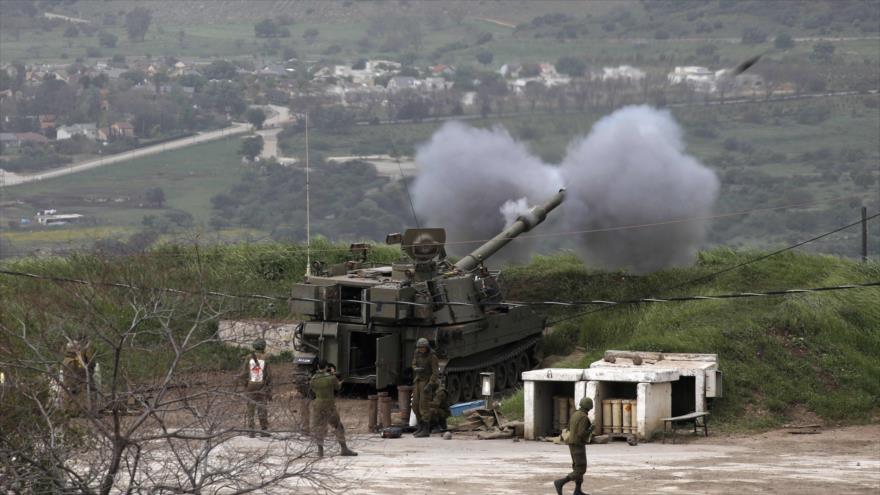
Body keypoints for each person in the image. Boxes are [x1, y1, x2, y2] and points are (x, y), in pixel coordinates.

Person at [309, 361, 357, 457]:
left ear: (318, 367)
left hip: (317, 404)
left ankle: (320, 451)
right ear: (327, 367)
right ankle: (344, 449)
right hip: (329, 405)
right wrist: (338, 378)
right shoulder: (331, 378)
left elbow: (313, 390)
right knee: (338, 426)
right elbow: (338, 387)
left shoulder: (313, 379)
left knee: (319, 427)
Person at [554, 397, 593, 495]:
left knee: (577, 467)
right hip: (578, 444)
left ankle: (577, 491)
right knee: (581, 468)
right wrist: (591, 429)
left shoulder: (575, 414)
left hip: (572, 443)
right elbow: (581, 433)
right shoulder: (584, 417)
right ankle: (561, 482)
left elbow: (568, 427)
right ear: (589, 406)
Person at [240, 338, 272, 437]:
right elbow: (269, 374)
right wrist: (269, 387)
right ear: (263, 346)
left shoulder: (249, 357)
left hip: (251, 385)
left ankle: (251, 431)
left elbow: (244, 372)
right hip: (261, 385)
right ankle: (264, 430)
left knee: (251, 408)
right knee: (262, 407)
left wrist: (245, 384)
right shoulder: (266, 357)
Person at [410, 337, 439, 438]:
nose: (421, 349)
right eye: (419, 348)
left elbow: (435, 373)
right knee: (415, 405)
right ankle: (420, 426)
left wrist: (430, 384)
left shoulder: (432, 356)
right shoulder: (416, 353)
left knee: (424, 406)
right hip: (418, 380)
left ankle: (426, 429)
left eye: (423, 348)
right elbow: (413, 363)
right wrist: (416, 368)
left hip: (426, 382)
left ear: (427, 347)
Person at [60, 338, 97, 415]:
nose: (80, 348)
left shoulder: (70, 359)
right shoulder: (72, 361)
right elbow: (81, 371)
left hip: (74, 386)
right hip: (75, 386)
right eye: (78, 347)